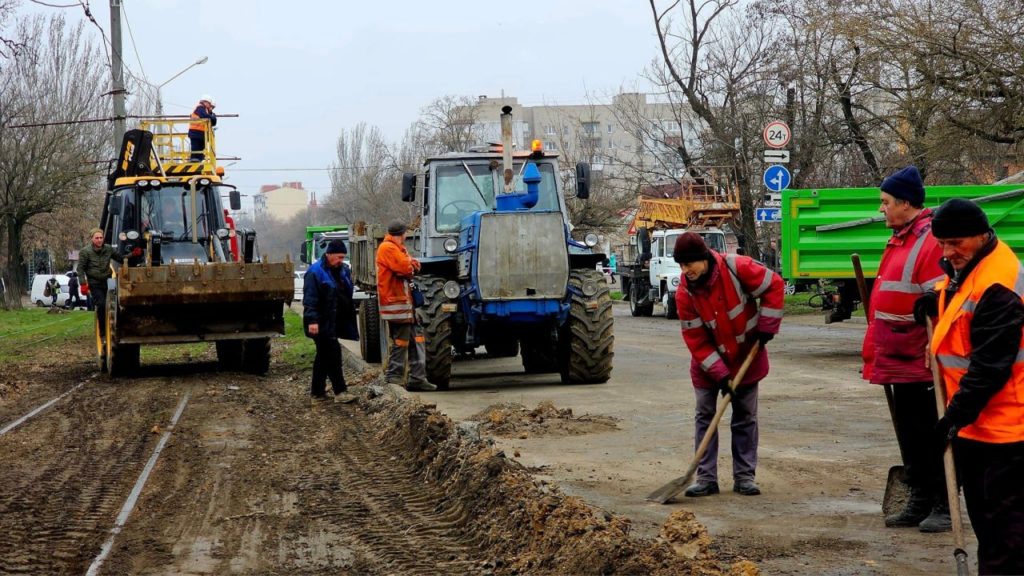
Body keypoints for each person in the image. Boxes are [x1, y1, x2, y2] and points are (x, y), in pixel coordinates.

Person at [915, 198, 1024, 574]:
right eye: (941, 242)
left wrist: (953, 417)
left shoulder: (1000, 286)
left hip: (1008, 432)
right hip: (981, 427)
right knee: (989, 527)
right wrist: (937, 298)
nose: (947, 252)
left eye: (956, 242)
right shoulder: (972, 265)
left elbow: (990, 367)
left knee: (1006, 535)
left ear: (982, 234)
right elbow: (960, 290)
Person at [861, 166, 951, 532]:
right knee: (911, 433)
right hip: (898, 353)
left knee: (934, 431)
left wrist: (933, 311)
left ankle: (944, 503)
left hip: (921, 355)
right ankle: (919, 497)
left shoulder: (928, 239)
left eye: (885, 203)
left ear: (906, 203)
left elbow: (943, 297)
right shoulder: (901, 237)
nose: (881, 209)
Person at [673, 232, 784, 497]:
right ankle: (706, 478)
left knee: (745, 417)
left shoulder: (737, 268)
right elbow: (697, 340)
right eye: (681, 265)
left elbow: (775, 285)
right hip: (707, 365)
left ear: (703, 258)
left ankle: (744, 477)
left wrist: (767, 326)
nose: (684, 270)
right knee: (705, 416)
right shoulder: (684, 293)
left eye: (689, 264)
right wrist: (720, 375)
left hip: (747, 355)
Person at [376, 220, 436, 392]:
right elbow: (406, 268)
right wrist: (412, 265)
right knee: (401, 341)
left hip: (405, 304)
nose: (406, 236)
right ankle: (394, 377)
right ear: (401, 234)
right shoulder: (388, 248)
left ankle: (417, 378)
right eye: (405, 233)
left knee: (417, 339)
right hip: (396, 304)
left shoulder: (397, 248)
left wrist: (412, 264)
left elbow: (412, 264)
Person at [303, 239, 358, 405]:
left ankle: (317, 393)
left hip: (333, 321)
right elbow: (310, 298)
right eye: (339, 257)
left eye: (343, 257)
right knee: (333, 354)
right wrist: (312, 321)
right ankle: (340, 392)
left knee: (324, 356)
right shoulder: (315, 272)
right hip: (320, 322)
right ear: (329, 254)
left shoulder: (342, 270)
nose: (341, 260)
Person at [77, 228, 123, 337]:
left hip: (108, 281)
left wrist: (133, 255)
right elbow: (80, 269)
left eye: (101, 238)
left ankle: (117, 327)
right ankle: (102, 331)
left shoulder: (108, 249)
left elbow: (121, 258)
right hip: (94, 283)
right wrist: (83, 284)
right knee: (101, 305)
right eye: (96, 238)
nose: (99, 240)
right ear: (92, 239)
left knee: (116, 303)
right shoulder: (85, 252)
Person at [188, 95, 216, 162]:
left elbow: (213, 122)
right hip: (195, 131)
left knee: (201, 149)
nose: (210, 107)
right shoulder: (200, 107)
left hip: (201, 133)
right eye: (209, 104)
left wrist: (212, 114)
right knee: (195, 148)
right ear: (205, 102)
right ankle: (194, 159)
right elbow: (205, 116)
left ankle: (198, 159)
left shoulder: (206, 110)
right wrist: (211, 116)